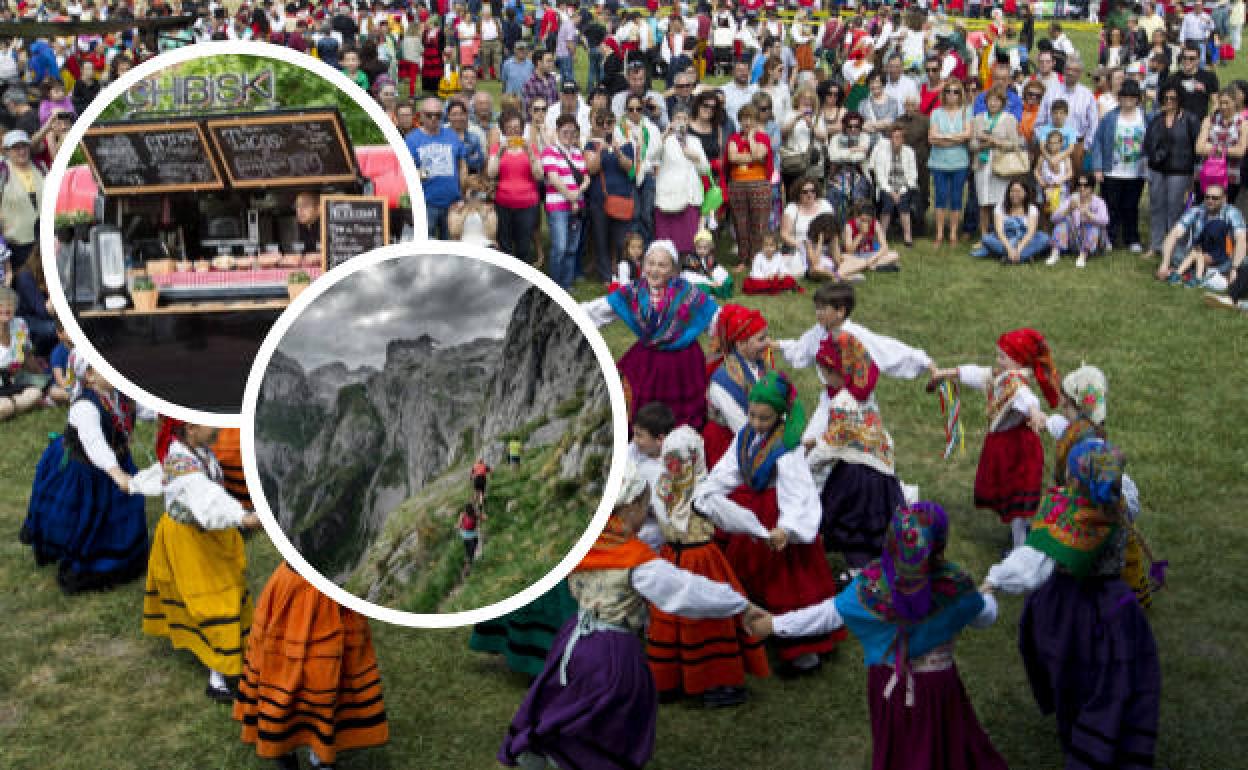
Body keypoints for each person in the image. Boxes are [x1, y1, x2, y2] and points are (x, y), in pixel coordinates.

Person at [498, 463, 761, 769]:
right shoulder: (635, 561)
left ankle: (542, 746)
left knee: (565, 697)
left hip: (574, 638)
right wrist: (738, 603)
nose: (647, 513)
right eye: (645, 506)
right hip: (612, 652)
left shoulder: (583, 541)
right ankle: (573, 758)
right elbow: (686, 591)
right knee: (617, 714)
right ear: (631, 507)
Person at [748, 502, 1007, 770]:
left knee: (899, 748)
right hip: (939, 687)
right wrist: (987, 595)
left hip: (889, 686)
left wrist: (774, 624)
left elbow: (826, 615)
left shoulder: (870, 586)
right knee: (944, 742)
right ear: (939, 542)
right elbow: (984, 616)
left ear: (893, 539)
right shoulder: (955, 586)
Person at [983, 439, 1160, 770]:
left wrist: (994, 580)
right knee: (1118, 675)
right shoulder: (1121, 501)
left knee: (1077, 674)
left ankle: (1088, 743)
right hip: (1119, 606)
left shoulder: (1070, 517)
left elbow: (1035, 559)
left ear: (1075, 481)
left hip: (1074, 609)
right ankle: (1117, 729)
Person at [692, 372, 846, 676]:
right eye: (752, 415)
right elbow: (730, 468)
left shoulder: (787, 449)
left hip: (778, 516)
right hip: (756, 515)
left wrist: (787, 528)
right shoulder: (746, 436)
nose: (756, 422)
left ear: (780, 416)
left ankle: (802, 650)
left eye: (764, 418)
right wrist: (709, 491)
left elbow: (797, 491)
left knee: (790, 583)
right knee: (750, 573)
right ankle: (756, 627)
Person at [645, 427, 771, 707]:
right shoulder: (700, 492)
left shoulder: (662, 488)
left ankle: (686, 679)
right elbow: (734, 517)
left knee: (686, 617)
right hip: (695, 559)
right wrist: (763, 532)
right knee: (704, 617)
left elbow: (733, 517)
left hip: (679, 559)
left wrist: (761, 532)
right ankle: (703, 681)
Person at [143, 419, 263, 702]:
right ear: (190, 429)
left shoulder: (198, 451)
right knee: (211, 602)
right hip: (190, 541)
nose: (217, 426)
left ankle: (228, 663)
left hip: (209, 536)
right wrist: (244, 518)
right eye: (208, 422)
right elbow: (205, 499)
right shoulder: (181, 464)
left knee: (228, 592)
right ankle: (218, 677)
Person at [234, 561, 389, 770]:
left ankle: (320, 755)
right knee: (282, 678)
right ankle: (284, 746)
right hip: (294, 590)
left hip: (332, 587)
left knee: (326, 681)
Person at [21, 358, 158, 592]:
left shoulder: (122, 396)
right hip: (87, 470)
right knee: (84, 519)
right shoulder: (85, 406)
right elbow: (94, 443)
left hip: (117, 462)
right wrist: (116, 473)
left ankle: (125, 558)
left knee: (124, 512)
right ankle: (92, 565)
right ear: (90, 376)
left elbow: (151, 408)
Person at [927, 328, 1061, 550]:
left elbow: (1026, 399)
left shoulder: (1015, 384)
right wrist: (945, 373)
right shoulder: (1002, 377)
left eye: (1003, 357)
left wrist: (1035, 413)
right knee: (1014, 500)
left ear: (1018, 361)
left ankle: (1020, 550)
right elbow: (977, 374)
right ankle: (1023, 538)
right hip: (1006, 447)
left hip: (1017, 451)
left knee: (1017, 500)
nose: (997, 361)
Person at [583, 240, 718, 431]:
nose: (654, 270)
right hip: (648, 360)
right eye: (650, 263)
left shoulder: (688, 293)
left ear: (673, 270)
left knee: (684, 412)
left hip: (683, 362)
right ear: (643, 265)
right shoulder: (634, 292)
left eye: (662, 265)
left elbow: (713, 318)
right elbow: (600, 310)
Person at [804, 331, 905, 575]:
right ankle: (876, 570)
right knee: (872, 528)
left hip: (856, 477)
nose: (824, 380)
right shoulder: (864, 395)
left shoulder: (842, 402)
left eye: (826, 374)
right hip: (881, 473)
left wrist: (807, 463)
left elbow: (832, 446)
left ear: (839, 372)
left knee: (853, 528)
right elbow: (852, 432)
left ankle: (859, 578)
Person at [702, 304, 772, 469]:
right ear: (740, 344)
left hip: (758, 430)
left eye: (767, 337)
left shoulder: (758, 363)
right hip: (728, 444)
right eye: (761, 339)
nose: (768, 343)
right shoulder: (723, 381)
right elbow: (742, 427)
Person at [1144, 84, 1203, 261]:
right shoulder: (1156, 118)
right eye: (1166, 98)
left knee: (1175, 210)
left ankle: (1176, 248)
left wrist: (1195, 174)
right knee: (1156, 207)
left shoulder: (1190, 119)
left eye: (1173, 98)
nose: (1169, 102)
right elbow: (1147, 143)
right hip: (1157, 170)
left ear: (1180, 100)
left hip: (1180, 172)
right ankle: (1155, 245)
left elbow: (1197, 149)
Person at [1089, 78, 1148, 252]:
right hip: (1112, 172)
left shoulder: (1145, 117)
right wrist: (1098, 167)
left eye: (1132, 97)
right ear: (1119, 98)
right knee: (1110, 207)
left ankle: (1132, 238)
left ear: (1138, 99)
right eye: (1124, 96)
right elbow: (1098, 142)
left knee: (1131, 207)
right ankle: (1109, 237)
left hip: (1136, 172)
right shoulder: (1110, 117)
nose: (1128, 100)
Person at [1160, 182, 1247, 288]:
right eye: (1207, 197)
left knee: (1243, 260)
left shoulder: (1232, 213)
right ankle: (1206, 274)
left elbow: (1241, 239)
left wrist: (1234, 268)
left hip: (1223, 257)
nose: (1210, 201)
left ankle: (1190, 273)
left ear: (1224, 199)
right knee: (1175, 252)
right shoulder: (1196, 210)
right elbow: (1174, 233)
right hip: (1198, 252)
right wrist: (1164, 265)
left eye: (1215, 198)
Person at [406, 97, 467, 240]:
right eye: (429, 115)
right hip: (426, 204)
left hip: (453, 203)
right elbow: (405, 171)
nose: (433, 118)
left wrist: (462, 195)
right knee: (427, 248)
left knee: (452, 248)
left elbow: (462, 167)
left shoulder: (452, 135)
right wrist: (421, 173)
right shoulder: (411, 140)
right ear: (420, 115)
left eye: (438, 115)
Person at [489, 108, 543, 264]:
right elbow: (492, 173)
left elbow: (539, 175)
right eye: (509, 128)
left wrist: (531, 154)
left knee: (523, 246)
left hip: (527, 204)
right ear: (503, 130)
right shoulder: (497, 148)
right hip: (503, 203)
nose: (514, 132)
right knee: (504, 244)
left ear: (522, 129)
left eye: (517, 128)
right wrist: (499, 153)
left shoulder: (531, 147)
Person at [970, 87, 1024, 245]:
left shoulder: (1009, 119)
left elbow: (1015, 144)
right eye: (990, 100)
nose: (993, 103)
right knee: (984, 202)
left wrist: (995, 141)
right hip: (982, 163)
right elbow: (972, 144)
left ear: (1002, 103)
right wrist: (981, 144)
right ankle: (984, 236)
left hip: (1001, 164)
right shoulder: (978, 118)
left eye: (996, 100)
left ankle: (1002, 235)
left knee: (1001, 202)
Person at [541, 114, 589, 290]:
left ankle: (566, 285)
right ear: (557, 131)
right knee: (559, 247)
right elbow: (553, 178)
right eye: (565, 131)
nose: (569, 134)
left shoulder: (577, 153)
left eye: (572, 131)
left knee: (571, 248)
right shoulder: (549, 151)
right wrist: (572, 196)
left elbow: (586, 178)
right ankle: (554, 286)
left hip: (577, 206)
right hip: (558, 207)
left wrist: (577, 194)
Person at [654, 104, 709, 255]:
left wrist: (695, 156)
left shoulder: (695, 141)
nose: (681, 121)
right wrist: (665, 134)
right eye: (678, 118)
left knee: (689, 243)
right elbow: (652, 156)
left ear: (689, 121)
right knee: (666, 246)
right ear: (672, 120)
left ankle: (688, 271)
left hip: (689, 196)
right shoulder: (664, 139)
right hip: (667, 196)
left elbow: (705, 169)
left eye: (684, 118)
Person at [727, 104, 775, 269]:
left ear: (756, 120)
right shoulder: (733, 138)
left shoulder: (763, 137)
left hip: (759, 184)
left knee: (759, 223)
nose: (747, 122)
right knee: (740, 223)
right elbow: (732, 157)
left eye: (751, 118)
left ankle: (756, 259)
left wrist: (751, 139)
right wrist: (752, 157)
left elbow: (759, 154)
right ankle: (743, 259)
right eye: (744, 118)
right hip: (737, 185)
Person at [929, 81, 973, 247]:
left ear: (960, 94)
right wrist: (956, 138)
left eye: (955, 91)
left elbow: (968, 134)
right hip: (939, 162)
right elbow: (932, 137)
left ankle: (953, 233)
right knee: (940, 197)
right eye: (948, 91)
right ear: (944, 93)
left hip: (959, 162)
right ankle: (939, 233)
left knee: (956, 198)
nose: (951, 94)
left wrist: (944, 138)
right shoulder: (936, 113)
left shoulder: (966, 111)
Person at [617, 90, 663, 244]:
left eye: (638, 109)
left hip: (648, 175)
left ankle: (649, 247)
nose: (635, 112)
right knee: (634, 214)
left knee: (647, 214)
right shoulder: (620, 129)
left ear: (643, 109)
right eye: (631, 109)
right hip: (629, 176)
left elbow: (656, 155)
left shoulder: (652, 128)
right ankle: (635, 250)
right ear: (626, 110)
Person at [972, 179, 1051, 264]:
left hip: (1025, 240)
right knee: (986, 239)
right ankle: (1024, 256)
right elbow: (999, 231)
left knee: (1045, 238)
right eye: (1012, 191)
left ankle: (1009, 257)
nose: (1015, 194)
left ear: (1025, 193)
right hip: (1005, 239)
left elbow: (1030, 233)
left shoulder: (1032, 208)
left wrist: (1019, 248)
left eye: (1018, 191)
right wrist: (1009, 249)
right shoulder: (1000, 207)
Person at [1, 130, 44, 271]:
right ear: (7, 151)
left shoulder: (40, 167)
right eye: (16, 147)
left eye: (24, 146)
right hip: (16, 244)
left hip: (43, 240)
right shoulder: (3, 171)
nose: (21, 151)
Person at [1196, 85, 1248, 203]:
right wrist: (1227, 149)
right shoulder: (1209, 120)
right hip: (1207, 173)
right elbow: (1199, 148)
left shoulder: (1243, 124)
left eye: (1227, 103)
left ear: (1235, 102)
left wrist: (1213, 147)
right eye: (1221, 103)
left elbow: (1240, 152)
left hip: (1230, 176)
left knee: (1225, 212)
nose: (1223, 106)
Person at [1048, 172, 1111, 267]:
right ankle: (1055, 253)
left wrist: (1088, 214)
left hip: (1095, 241)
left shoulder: (1099, 202)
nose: (1082, 188)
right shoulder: (1071, 199)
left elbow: (1105, 221)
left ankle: (1083, 256)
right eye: (1079, 185)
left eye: (1086, 185)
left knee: (1092, 224)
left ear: (1092, 187)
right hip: (1075, 239)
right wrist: (1068, 209)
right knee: (1062, 222)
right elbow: (1053, 218)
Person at [870, 125, 918, 248]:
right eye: (894, 137)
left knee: (904, 205)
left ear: (903, 139)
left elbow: (913, 174)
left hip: (904, 186)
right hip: (886, 186)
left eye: (899, 137)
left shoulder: (909, 152)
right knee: (888, 204)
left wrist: (901, 191)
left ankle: (908, 236)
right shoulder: (881, 153)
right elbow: (880, 177)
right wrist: (891, 192)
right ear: (890, 139)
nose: (896, 140)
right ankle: (882, 235)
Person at [840, 202, 901, 276]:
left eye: (868, 221)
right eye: (862, 220)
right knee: (843, 257)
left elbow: (884, 247)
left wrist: (872, 259)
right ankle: (873, 266)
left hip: (870, 254)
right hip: (854, 255)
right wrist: (861, 234)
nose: (865, 223)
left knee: (895, 255)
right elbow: (849, 251)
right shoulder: (849, 226)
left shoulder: (875, 224)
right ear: (857, 217)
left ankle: (863, 266)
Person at [1161, 42, 1220, 117]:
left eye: (1192, 58)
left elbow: (1216, 102)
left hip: (1200, 123)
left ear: (1198, 60)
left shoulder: (1209, 77)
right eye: (1184, 57)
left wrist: (1209, 120)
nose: (1187, 61)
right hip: (1178, 123)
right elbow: (1164, 105)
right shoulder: (1172, 79)